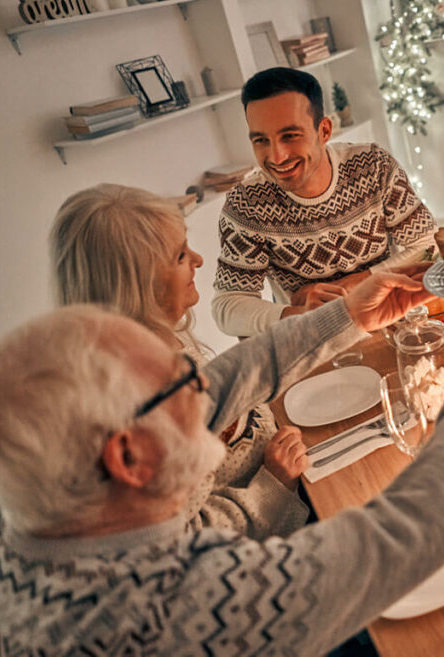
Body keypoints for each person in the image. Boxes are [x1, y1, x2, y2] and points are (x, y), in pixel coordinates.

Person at [0, 271, 444, 654]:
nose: (205, 390)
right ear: (130, 457)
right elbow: (426, 521)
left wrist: (348, 318)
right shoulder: (177, 611)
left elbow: (231, 376)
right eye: (183, 383)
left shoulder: (11, 527)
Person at [50, 183, 309, 539]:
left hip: (287, 475)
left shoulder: (160, 338)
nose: (198, 259)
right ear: (140, 285)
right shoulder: (142, 401)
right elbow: (185, 538)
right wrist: (273, 485)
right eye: (180, 256)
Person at [213, 67, 436, 337]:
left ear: (324, 130)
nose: (277, 156)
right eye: (261, 140)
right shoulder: (246, 205)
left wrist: (357, 284)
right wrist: (296, 314)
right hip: (311, 339)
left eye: (290, 136)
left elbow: (429, 245)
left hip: (389, 324)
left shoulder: (373, 167)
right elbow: (227, 307)